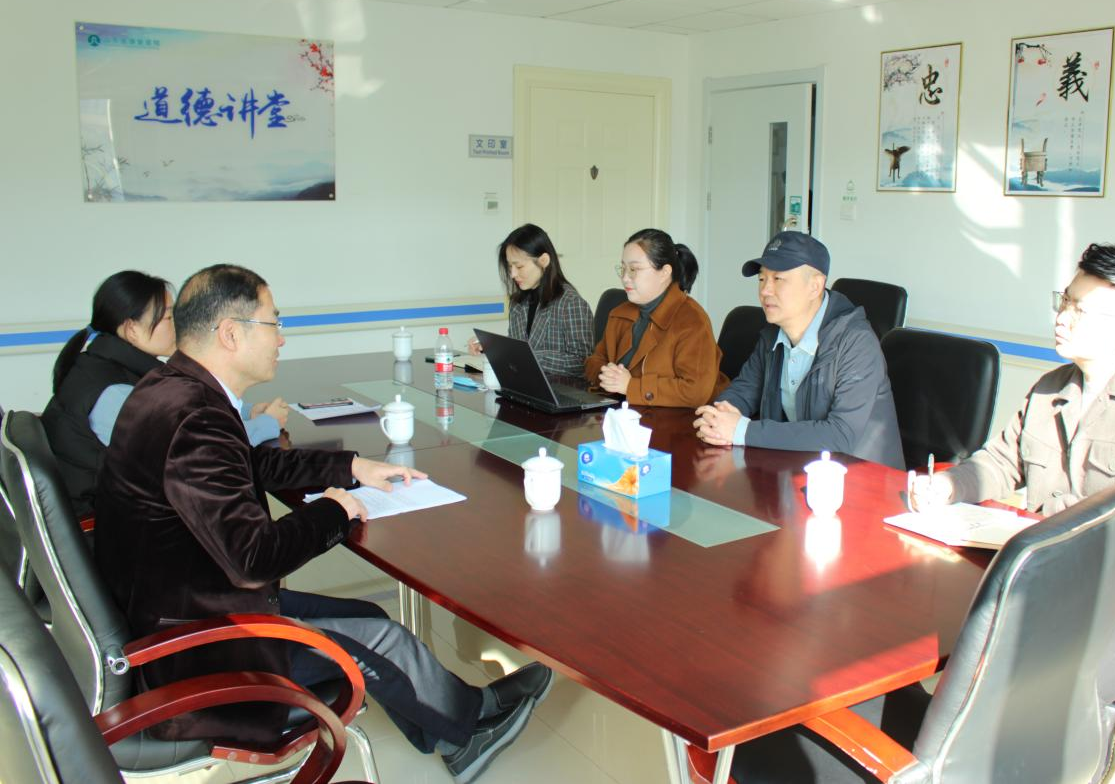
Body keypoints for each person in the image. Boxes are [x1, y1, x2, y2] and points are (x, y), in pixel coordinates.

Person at [93, 264, 551, 784]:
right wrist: (335, 508)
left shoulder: (172, 389)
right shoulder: (196, 416)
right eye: (274, 323)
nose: (281, 339)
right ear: (231, 333)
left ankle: (461, 720)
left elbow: (251, 464)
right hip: (203, 648)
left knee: (368, 617)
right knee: (377, 638)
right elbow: (254, 559)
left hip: (185, 604)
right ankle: (467, 734)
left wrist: (352, 467)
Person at [910, 243, 1115, 780]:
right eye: (1064, 300)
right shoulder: (1053, 387)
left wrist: (1041, 520)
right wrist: (950, 486)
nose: (1061, 316)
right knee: (935, 636)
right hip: (1052, 587)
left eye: (1080, 308)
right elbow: (1000, 461)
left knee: (1042, 681)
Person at [41, 270, 286, 517]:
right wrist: (267, 423)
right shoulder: (113, 395)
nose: (178, 326)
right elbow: (200, 453)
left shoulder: (104, 365)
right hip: (105, 524)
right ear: (132, 329)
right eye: (169, 318)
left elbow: (181, 413)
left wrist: (244, 411)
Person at [694, 231, 903, 469]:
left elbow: (840, 434)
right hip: (799, 468)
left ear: (815, 286)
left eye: (778, 279)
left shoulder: (856, 343)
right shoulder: (773, 334)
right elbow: (744, 390)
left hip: (863, 477)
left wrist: (742, 431)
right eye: (761, 279)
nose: (765, 291)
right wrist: (717, 419)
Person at [585, 228, 725, 407]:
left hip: (679, 419)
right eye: (623, 268)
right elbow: (595, 360)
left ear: (664, 273)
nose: (625, 278)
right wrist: (605, 374)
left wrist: (630, 386)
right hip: (623, 411)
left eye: (634, 269)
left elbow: (695, 392)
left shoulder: (693, 321)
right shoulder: (619, 313)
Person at [467, 224, 593, 378]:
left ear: (543, 261)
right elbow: (517, 349)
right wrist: (491, 348)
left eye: (519, 266)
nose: (513, 274)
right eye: (510, 267)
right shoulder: (517, 303)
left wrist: (528, 356)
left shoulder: (571, 303)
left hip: (559, 388)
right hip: (524, 384)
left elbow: (582, 363)